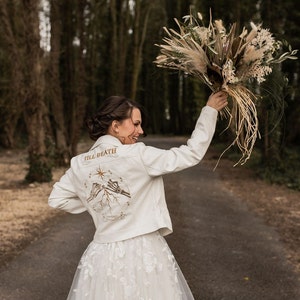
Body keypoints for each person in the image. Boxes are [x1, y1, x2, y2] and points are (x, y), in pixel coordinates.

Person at [48, 91, 228, 300]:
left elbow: (56, 198)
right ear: (116, 126)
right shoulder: (138, 155)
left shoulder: (79, 163)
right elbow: (191, 154)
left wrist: (93, 202)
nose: (140, 131)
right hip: (143, 252)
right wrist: (210, 111)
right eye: (135, 124)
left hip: (101, 256)